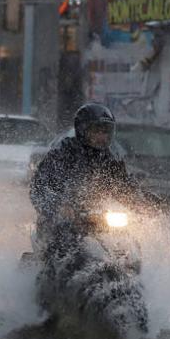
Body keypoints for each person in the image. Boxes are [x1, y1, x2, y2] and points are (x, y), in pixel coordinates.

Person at [29, 103, 145, 255]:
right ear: (83, 130)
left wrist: (142, 203)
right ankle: (55, 275)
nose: (102, 137)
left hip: (98, 219)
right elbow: (39, 188)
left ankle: (130, 273)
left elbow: (124, 186)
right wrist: (59, 206)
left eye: (106, 131)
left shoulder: (110, 159)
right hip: (60, 220)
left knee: (126, 243)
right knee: (63, 245)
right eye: (97, 131)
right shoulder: (62, 154)